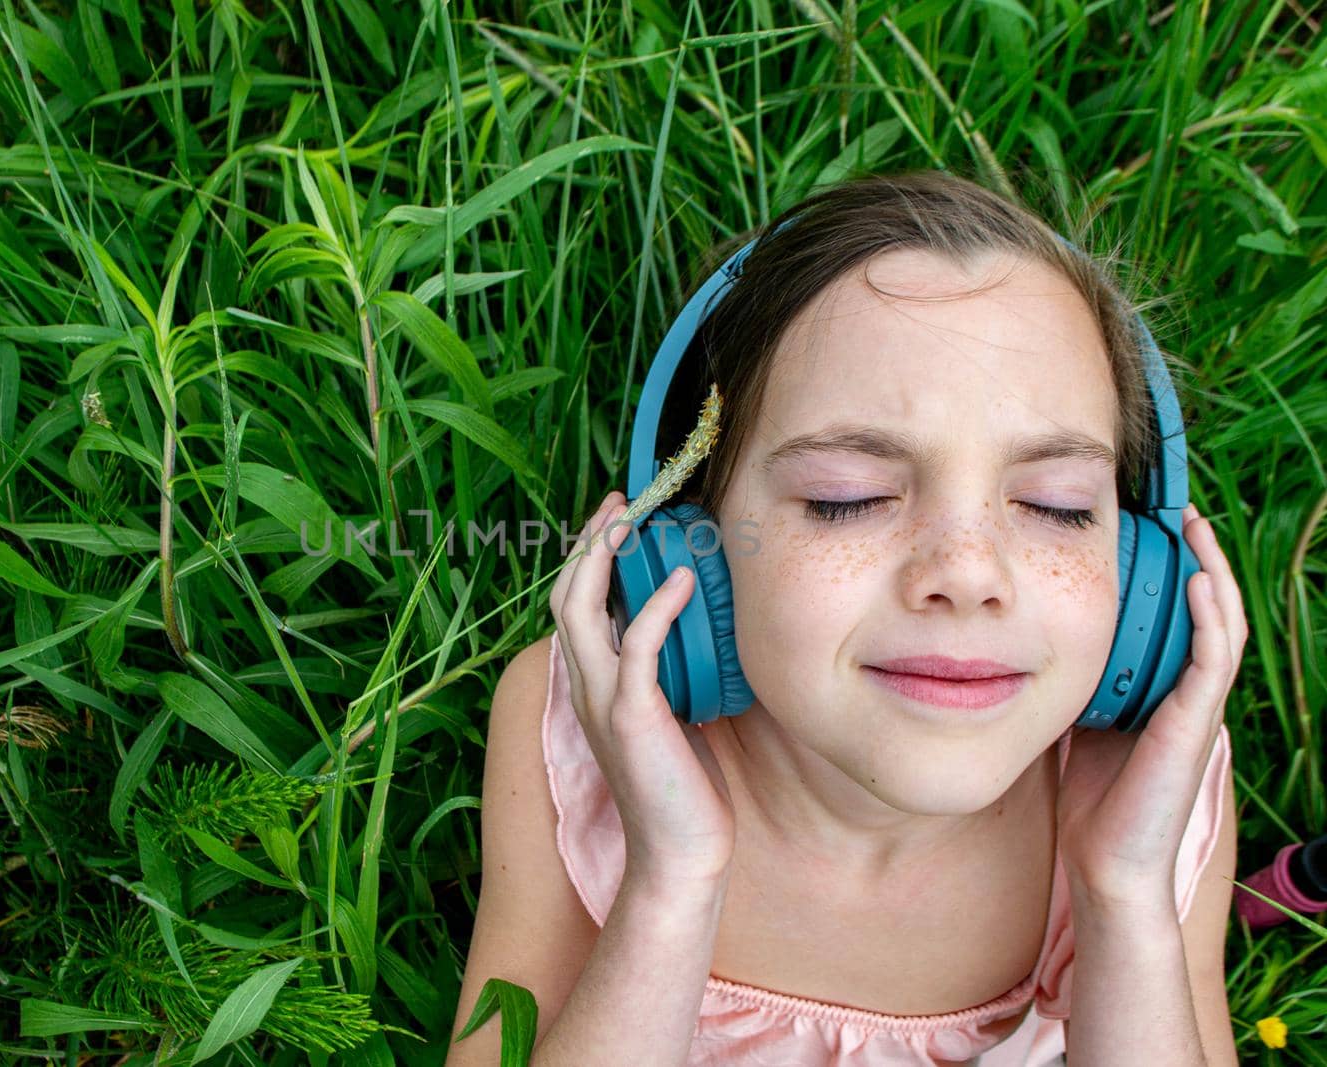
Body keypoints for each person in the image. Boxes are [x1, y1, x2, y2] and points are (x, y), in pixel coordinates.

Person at [446, 170, 1246, 1066]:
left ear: (1143, 581)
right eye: (847, 498)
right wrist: (671, 882)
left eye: (1058, 506)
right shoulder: (583, 741)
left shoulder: (1154, 793)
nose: (969, 575)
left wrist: (1125, 897)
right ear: (692, 540)